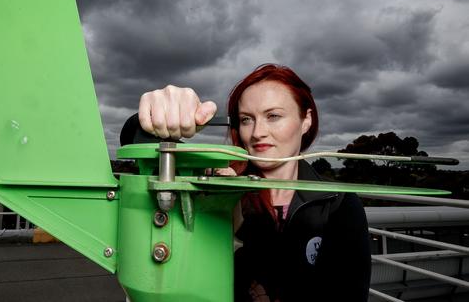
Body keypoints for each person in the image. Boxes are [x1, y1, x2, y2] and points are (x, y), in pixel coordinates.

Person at [121, 63, 371, 301]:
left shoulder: (338, 203)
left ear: (306, 120)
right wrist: (158, 114)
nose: (257, 132)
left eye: (273, 116)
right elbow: (138, 142)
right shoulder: (218, 187)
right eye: (246, 119)